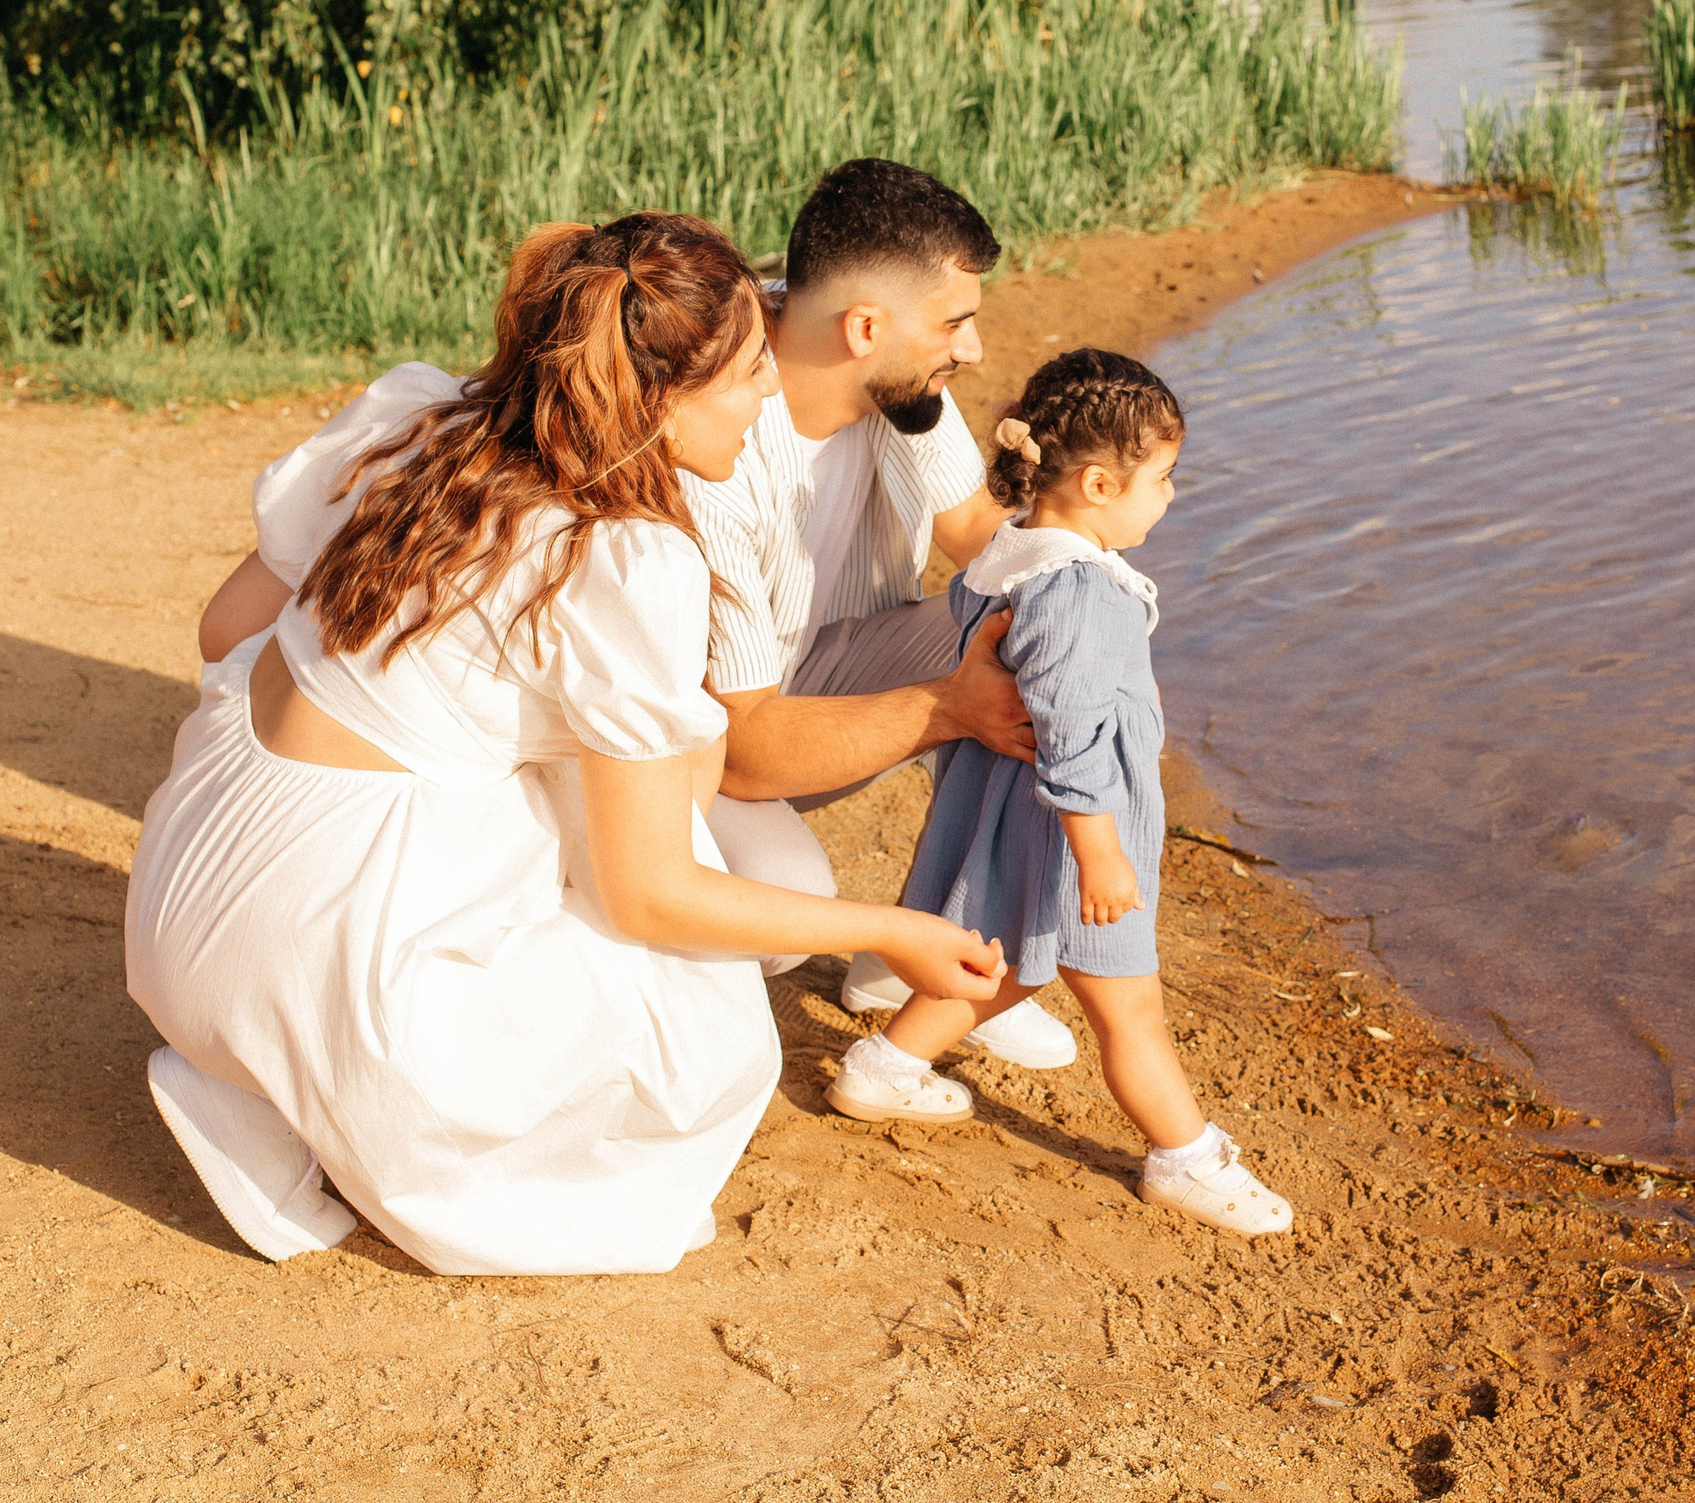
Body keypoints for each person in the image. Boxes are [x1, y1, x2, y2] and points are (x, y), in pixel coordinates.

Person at [133, 213, 1006, 1275]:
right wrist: (893, 929)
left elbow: (226, 633)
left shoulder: (413, 421)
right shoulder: (621, 559)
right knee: (703, 1016)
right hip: (323, 963)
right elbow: (655, 890)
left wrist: (414, 691)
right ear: (658, 401)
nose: (768, 394)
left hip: (191, 886)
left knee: (520, 783)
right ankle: (303, 1101)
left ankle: (249, 1055)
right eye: (742, 377)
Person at [825, 350, 1293, 1238]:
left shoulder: (1016, 552)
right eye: (1163, 478)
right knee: (1130, 1006)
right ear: (1097, 482)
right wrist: (1099, 847)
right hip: (1067, 825)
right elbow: (1071, 727)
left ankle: (884, 1067)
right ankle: (1184, 1157)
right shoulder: (1078, 588)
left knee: (1004, 964)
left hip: (1015, 808)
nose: (1170, 496)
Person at [692, 158, 1076, 1070]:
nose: (974, 350)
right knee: (783, 903)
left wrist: (1076, 521)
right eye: (954, 323)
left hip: (804, 674)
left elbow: (978, 536)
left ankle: (941, 952)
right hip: (698, 744)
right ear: (865, 326)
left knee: (1042, 628)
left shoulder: (887, 376)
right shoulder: (711, 427)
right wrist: (949, 707)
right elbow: (742, 753)